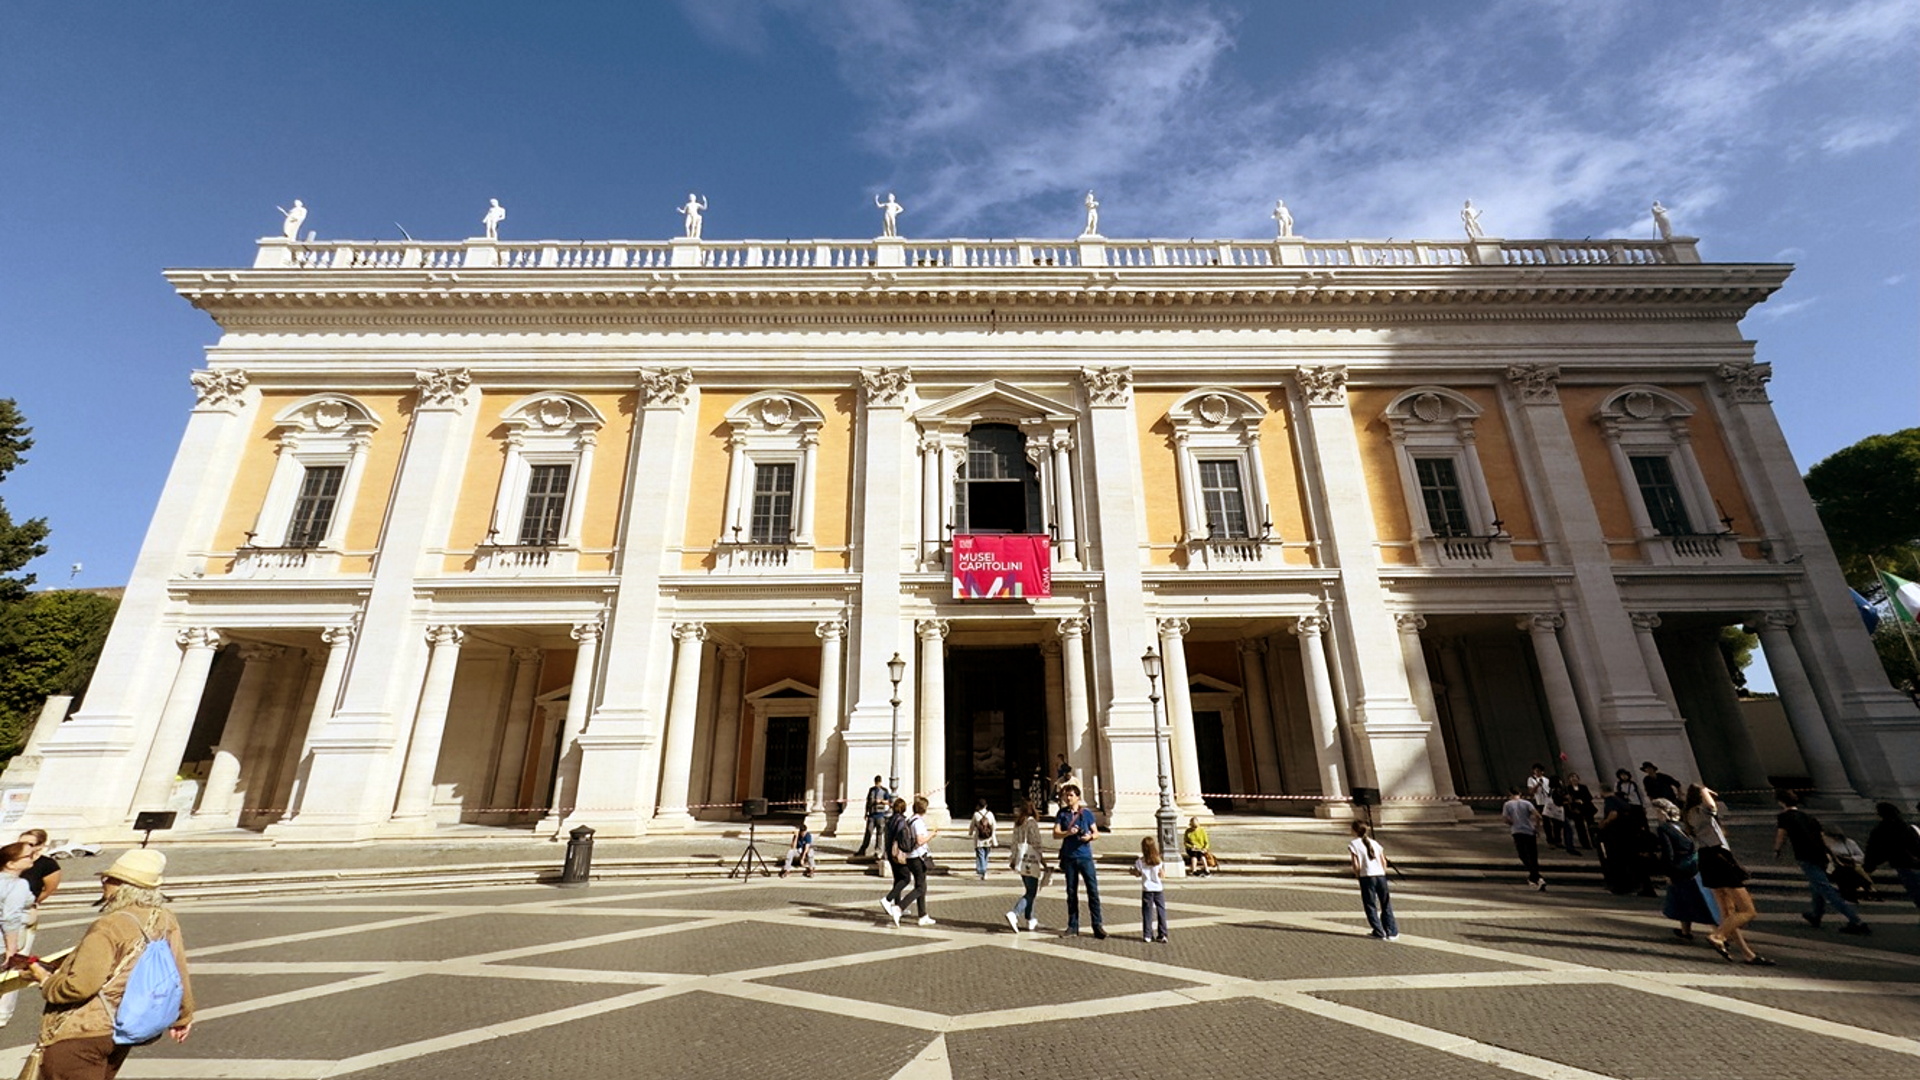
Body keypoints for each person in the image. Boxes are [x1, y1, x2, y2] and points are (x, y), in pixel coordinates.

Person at [23, 848, 195, 1077]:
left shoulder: (109, 925)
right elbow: (177, 971)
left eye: (108, 879)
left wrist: (46, 981)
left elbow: (80, 986)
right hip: (122, 1028)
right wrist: (183, 1016)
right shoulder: (164, 918)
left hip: (82, 1031)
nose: (103, 884)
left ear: (123, 886)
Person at [1684, 785, 1771, 965]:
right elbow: (1711, 806)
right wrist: (1705, 790)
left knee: (1727, 913)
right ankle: (1718, 936)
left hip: (1706, 859)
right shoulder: (1701, 810)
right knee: (1748, 911)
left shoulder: (1689, 814)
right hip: (1719, 858)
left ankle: (1747, 953)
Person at [1773, 790, 1870, 935]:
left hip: (1805, 855)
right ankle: (1816, 915)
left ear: (1781, 802)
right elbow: (1822, 836)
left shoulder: (1784, 817)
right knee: (1816, 885)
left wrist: (1777, 850)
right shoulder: (1809, 817)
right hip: (1821, 855)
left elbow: (1781, 835)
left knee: (1825, 889)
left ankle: (1856, 920)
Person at [1651, 798, 1719, 941]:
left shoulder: (1664, 828)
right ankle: (1686, 930)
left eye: (1657, 811)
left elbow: (1668, 853)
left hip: (1678, 869)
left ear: (1662, 812)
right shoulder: (1681, 825)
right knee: (1690, 899)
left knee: (1686, 900)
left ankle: (1717, 933)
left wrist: (1668, 873)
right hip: (1692, 866)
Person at [1053, 783, 1106, 938]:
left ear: (1077, 797)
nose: (1067, 798)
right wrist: (1068, 833)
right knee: (1071, 892)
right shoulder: (1062, 814)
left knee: (1093, 891)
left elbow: (1096, 833)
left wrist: (1089, 837)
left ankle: (1097, 925)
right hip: (1069, 857)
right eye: (1066, 795)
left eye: (1070, 795)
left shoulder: (1087, 814)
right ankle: (1072, 925)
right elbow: (1055, 834)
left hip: (1085, 857)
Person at [883, 795, 936, 927]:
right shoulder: (918, 822)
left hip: (911, 857)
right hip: (918, 857)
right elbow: (920, 840)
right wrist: (931, 835)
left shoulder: (910, 820)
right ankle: (899, 908)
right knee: (920, 888)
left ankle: (923, 915)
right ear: (924, 809)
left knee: (921, 886)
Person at [1862, 801, 1920, 912]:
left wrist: (1869, 865)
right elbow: (1915, 845)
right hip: (1913, 862)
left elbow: (1874, 849)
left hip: (1902, 863)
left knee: (1915, 891)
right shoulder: (1905, 827)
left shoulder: (1881, 830)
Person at [1597, 786, 1653, 895]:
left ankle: (1620, 887)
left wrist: (1604, 823)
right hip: (1627, 835)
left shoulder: (1610, 800)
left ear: (1603, 791)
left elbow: (1613, 813)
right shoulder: (1621, 801)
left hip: (1615, 835)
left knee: (1617, 861)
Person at [1348, 821, 1398, 941]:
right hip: (1380, 875)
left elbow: (1355, 863)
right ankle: (1391, 931)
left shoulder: (1354, 844)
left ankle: (1379, 931)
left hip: (1367, 876)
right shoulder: (1374, 843)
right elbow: (1383, 861)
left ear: (1354, 830)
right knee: (1385, 903)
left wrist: (1357, 874)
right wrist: (1383, 872)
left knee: (1370, 904)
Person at [1005, 799, 1047, 932]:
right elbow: (1036, 844)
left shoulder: (1018, 823)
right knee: (1031, 892)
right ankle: (1014, 913)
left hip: (1020, 861)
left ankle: (1030, 919)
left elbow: (1014, 842)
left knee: (1030, 890)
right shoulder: (1031, 823)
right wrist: (1044, 862)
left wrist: (1013, 859)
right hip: (1031, 861)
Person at [1502, 787, 1545, 890]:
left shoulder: (1507, 804)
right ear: (1520, 794)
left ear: (1510, 794)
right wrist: (1537, 828)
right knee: (1533, 855)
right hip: (1529, 830)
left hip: (1517, 831)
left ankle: (1536, 877)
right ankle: (1535, 877)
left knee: (1523, 854)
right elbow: (1538, 816)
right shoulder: (1527, 803)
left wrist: (1512, 823)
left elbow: (1505, 819)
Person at [879, 797, 912, 927]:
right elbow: (903, 839)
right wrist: (909, 849)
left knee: (898, 879)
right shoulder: (901, 821)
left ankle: (898, 906)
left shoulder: (890, 820)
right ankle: (888, 899)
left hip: (890, 852)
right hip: (898, 853)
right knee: (906, 878)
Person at [1823, 826, 1877, 903]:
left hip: (1850, 866)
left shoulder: (1849, 843)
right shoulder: (1826, 845)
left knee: (1848, 873)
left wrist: (1851, 858)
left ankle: (1855, 893)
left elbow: (1861, 857)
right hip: (1834, 869)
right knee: (1844, 873)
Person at [1132, 837, 1168, 943]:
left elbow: (1137, 874)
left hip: (1147, 889)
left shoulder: (1140, 861)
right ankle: (1162, 934)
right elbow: (1162, 875)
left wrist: (1132, 871)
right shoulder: (1158, 860)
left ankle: (1147, 934)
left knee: (1147, 912)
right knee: (1161, 911)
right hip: (1158, 888)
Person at [855, 776, 891, 858]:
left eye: (878, 782)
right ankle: (863, 849)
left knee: (879, 834)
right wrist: (866, 813)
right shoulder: (871, 790)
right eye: (876, 782)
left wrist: (881, 801)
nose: (877, 784)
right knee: (868, 832)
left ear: (880, 782)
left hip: (880, 815)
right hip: (872, 815)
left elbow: (889, 801)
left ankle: (878, 851)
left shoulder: (884, 790)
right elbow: (868, 802)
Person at [1561, 772, 1597, 852]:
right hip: (1576, 809)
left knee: (1591, 825)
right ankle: (1585, 843)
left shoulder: (1583, 787)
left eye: (1575, 777)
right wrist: (1574, 801)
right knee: (1580, 827)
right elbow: (1567, 799)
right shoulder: (1568, 789)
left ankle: (1595, 842)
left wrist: (1582, 800)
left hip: (1586, 808)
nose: (1574, 779)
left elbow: (1589, 797)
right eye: (1572, 777)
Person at [969, 799, 997, 880]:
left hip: (979, 838)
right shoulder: (990, 814)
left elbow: (972, 825)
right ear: (986, 806)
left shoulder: (976, 814)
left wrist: (970, 833)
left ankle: (982, 870)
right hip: (988, 838)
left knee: (980, 855)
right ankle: (984, 869)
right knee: (986, 855)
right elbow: (994, 825)